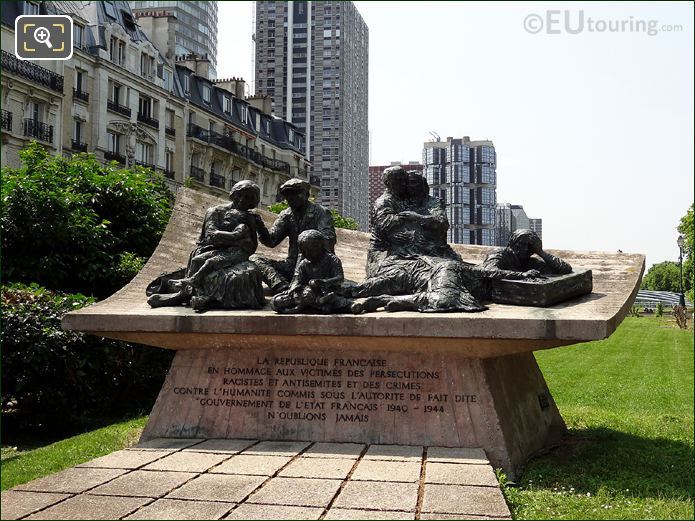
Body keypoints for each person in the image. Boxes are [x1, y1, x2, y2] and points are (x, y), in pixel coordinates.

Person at [146, 181, 265, 311]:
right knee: (199, 260)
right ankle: (184, 293)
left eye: (248, 198)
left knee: (246, 273)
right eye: (240, 195)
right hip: (211, 249)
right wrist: (239, 242)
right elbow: (211, 238)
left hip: (236, 254)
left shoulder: (249, 217)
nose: (242, 200)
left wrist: (255, 231)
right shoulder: (215, 211)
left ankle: (205, 299)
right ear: (233, 194)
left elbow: (252, 244)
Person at [251, 178, 336, 294]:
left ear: (306, 194)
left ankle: (297, 286)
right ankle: (280, 285)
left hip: (315, 267)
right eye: (287, 194)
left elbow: (329, 240)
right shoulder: (286, 215)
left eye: (296, 193)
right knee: (254, 259)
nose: (291, 197)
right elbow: (271, 241)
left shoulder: (321, 213)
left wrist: (309, 243)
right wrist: (259, 226)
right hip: (291, 265)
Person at [271, 230, 363, 314]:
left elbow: (339, 278)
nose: (306, 254)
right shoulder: (304, 264)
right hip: (311, 295)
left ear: (320, 247)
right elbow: (298, 279)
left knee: (337, 300)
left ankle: (351, 306)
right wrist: (293, 288)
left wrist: (324, 282)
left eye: (309, 251)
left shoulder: (332, 260)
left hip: (331, 291)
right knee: (310, 301)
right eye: (303, 251)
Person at [479, 228, 572, 281]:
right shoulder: (499, 253)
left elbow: (566, 269)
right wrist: (523, 275)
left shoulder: (530, 262)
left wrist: (541, 252)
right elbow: (488, 271)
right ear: (513, 243)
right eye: (523, 244)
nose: (526, 249)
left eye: (530, 245)